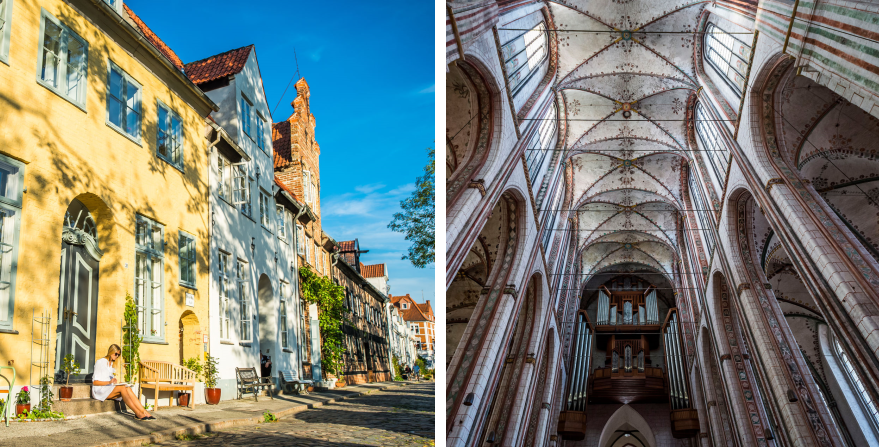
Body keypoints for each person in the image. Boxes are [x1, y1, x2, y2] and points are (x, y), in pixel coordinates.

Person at [92, 344, 154, 420]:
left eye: (118, 354)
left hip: (108, 389)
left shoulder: (111, 364)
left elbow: (109, 381)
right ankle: (138, 413)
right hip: (99, 390)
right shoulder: (100, 362)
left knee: (126, 387)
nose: (117, 356)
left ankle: (144, 412)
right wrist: (109, 382)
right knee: (122, 388)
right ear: (111, 352)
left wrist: (115, 382)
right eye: (116, 354)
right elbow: (95, 382)